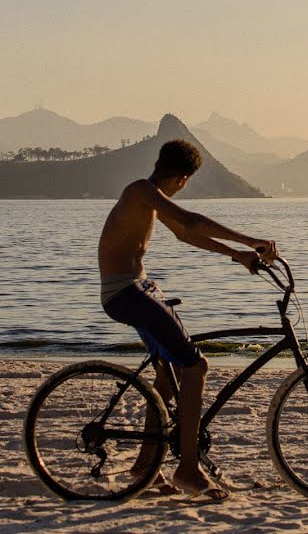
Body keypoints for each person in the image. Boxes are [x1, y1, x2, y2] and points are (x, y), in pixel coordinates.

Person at [98, 139, 277, 501]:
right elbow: (190, 220)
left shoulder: (147, 197)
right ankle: (188, 469)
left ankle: (144, 468)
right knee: (195, 368)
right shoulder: (141, 192)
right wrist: (252, 240)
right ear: (183, 178)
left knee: (165, 377)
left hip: (138, 289)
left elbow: (185, 233)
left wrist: (237, 254)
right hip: (126, 293)